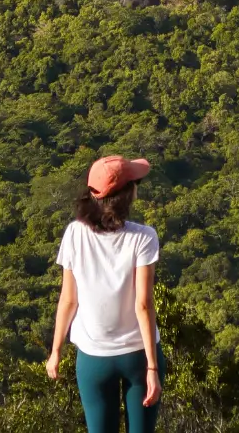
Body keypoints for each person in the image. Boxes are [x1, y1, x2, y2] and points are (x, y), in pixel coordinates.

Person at [47, 155, 165, 433]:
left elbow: (68, 299)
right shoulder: (144, 237)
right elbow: (144, 305)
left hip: (93, 357)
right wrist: (152, 368)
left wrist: (55, 352)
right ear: (127, 196)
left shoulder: (75, 233)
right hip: (138, 355)